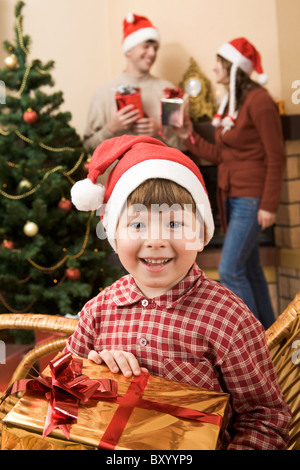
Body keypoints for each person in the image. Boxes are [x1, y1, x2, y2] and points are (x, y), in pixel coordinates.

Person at [65, 134, 291, 450]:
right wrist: (93, 375)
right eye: (138, 225)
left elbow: (265, 420)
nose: (156, 240)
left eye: (174, 224)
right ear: (114, 235)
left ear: (201, 235)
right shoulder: (96, 313)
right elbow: (61, 397)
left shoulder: (229, 319)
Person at [173, 37, 286, 329]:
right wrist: (188, 136)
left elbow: (277, 156)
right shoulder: (233, 102)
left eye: (219, 64)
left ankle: (249, 338)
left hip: (252, 198)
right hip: (233, 196)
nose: (213, 69)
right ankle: (271, 335)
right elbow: (221, 155)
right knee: (251, 268)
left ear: (233, 68)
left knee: (230, 269)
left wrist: (269, 205)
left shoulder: (259, 102)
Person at [83, 13, 183, 151]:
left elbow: (183, 145)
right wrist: (110, 129)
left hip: (158, 169)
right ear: (128, 50)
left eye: (155, 48)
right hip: (117, 172)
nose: (153, 53)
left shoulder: (169, 91)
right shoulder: (103, 94)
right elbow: (86, 148)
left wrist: (160, 129)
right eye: (146, 46)